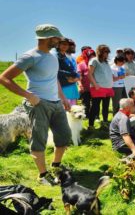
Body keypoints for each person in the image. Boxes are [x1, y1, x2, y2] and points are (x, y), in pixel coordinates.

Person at [0, 24, 72, 185]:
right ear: (48, 38)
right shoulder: (30, 56)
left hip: (56, 103)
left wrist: (63, 98)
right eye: (57, 38)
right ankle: (42, 175)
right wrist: (29, 96)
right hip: (39, 104)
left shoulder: (53, 57)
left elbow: (54, 80)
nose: (60, 40)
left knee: (64, 135)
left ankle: (56, 166)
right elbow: (4, 78)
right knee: (39, 139)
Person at [88, 44, 114, 129]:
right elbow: (89, 74)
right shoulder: (94, 60)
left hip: (108, 88)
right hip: (98, 88)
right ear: (99, 52)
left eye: (108, 52)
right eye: (105, 51)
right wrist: (95, 85)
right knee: (95, 107)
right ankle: (91, 125)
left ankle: (105, 122)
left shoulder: (106, 63)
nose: (107, 53)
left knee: (105, 107)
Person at [55, 38, 80, 105]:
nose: (65, 46)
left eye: (67, 44)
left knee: (72, 109)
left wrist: (77, 77)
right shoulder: (55, 56)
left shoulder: (66, 57)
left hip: (70, 86)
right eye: (63, 44)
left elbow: (73, 71)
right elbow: (57, 71)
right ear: (58, 45)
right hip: (62, 87)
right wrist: (72, 75)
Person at [77, 47, 96, 116]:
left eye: (93, 55)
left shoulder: (96, 64)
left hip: (95, 87)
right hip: (86, 88)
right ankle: (86, 115)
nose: (92, 57)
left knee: (95, 103)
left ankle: (95, 115)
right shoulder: (81, 64)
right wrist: (80, 85)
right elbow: (78, 76)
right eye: (90, 56)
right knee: (86, 103)